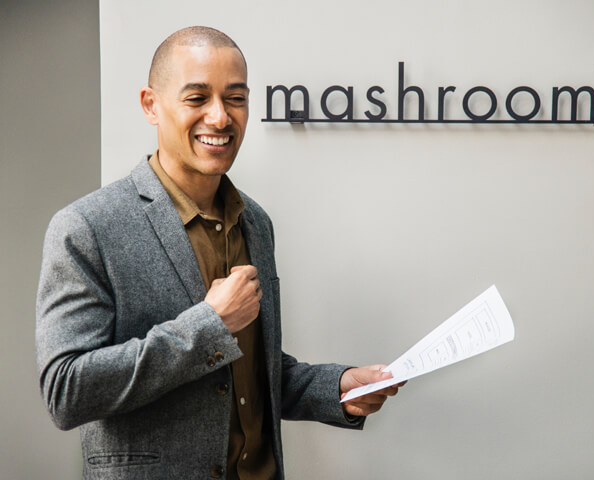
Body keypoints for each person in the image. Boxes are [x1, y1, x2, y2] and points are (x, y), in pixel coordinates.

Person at [36, 26, 402, 480]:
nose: (220, 117)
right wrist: (209, 325)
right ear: (151, 104)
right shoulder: (87, 227)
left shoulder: (255, 222)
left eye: (235, 98)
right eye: (197, 98)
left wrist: (338, 387)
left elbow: (248, 373)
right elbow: (66, 391)